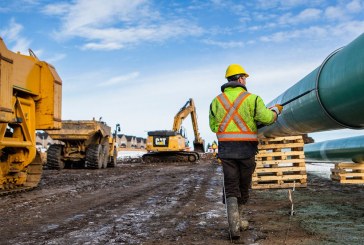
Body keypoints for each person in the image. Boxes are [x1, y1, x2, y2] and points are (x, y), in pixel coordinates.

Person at [209, 64, 283, 240]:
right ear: (241, 79)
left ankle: (233, 225)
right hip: (246, 149)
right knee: (243, 184)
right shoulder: (253, 99)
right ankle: (239, 220)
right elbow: (266, 118)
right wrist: (275, 111)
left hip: (226, 150)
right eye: (245, 78)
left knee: (230, 185)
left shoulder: (216, 101)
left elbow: (213, 127)